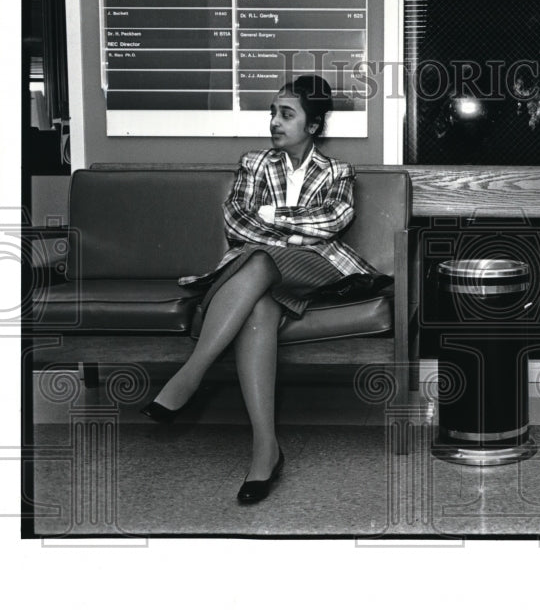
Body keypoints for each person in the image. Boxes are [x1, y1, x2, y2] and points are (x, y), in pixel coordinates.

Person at [141, 74, 385, 504]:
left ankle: (190, 376)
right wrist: (294, 228)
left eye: (286, 114)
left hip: (318, 269)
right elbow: (235, 219)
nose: (274, 121)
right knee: (259, 306)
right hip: (266, 271)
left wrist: (271, 218)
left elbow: (333, 221)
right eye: (273, 112)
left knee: (257, 258)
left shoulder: (338, 171)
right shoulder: (253, 163)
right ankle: (264, 452)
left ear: (313, 125)